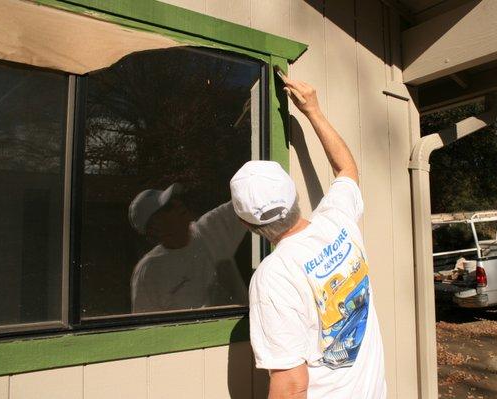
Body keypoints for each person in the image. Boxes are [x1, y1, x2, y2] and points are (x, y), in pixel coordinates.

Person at [229, 78, 386, 398]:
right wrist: (313, 111)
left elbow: (291, 385)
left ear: (246, 226)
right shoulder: (338, 223)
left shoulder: (274, 276)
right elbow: (346, 169)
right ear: (294, 195)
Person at [128, 183, 248, 313]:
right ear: (154, 228)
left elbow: (249, 199)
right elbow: (146, 328)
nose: (178, 204)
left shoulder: (210, 229)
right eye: (169, 207)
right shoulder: (148, 271)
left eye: (174, 200)